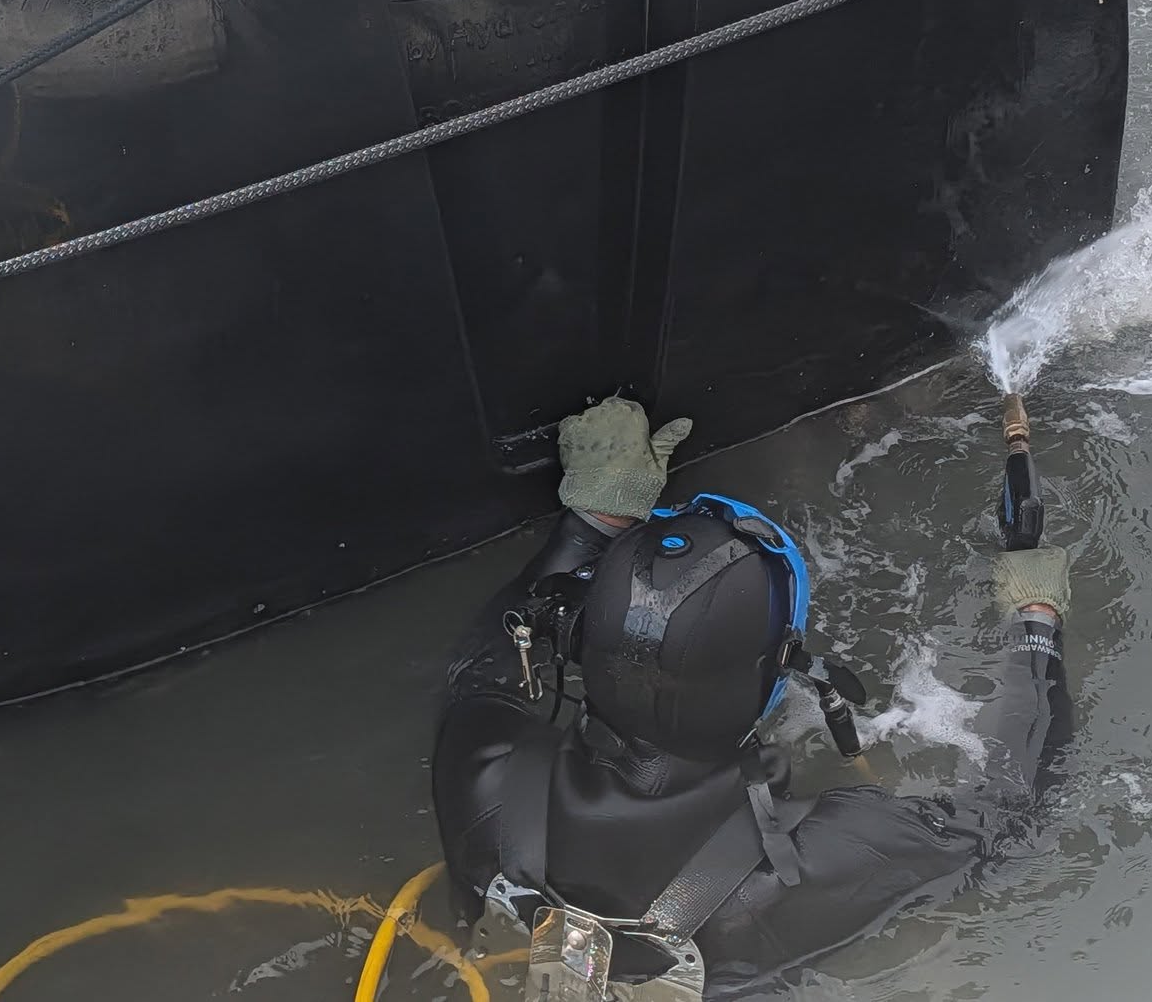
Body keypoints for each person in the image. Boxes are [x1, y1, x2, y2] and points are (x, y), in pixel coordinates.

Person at [431, 397, 1074, 999]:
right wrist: (1036, 618)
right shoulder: (809, 865)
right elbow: (1004, 815)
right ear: (772, 681)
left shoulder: (482, 778)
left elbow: (487, 664)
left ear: (575, 636)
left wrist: (593, 520)